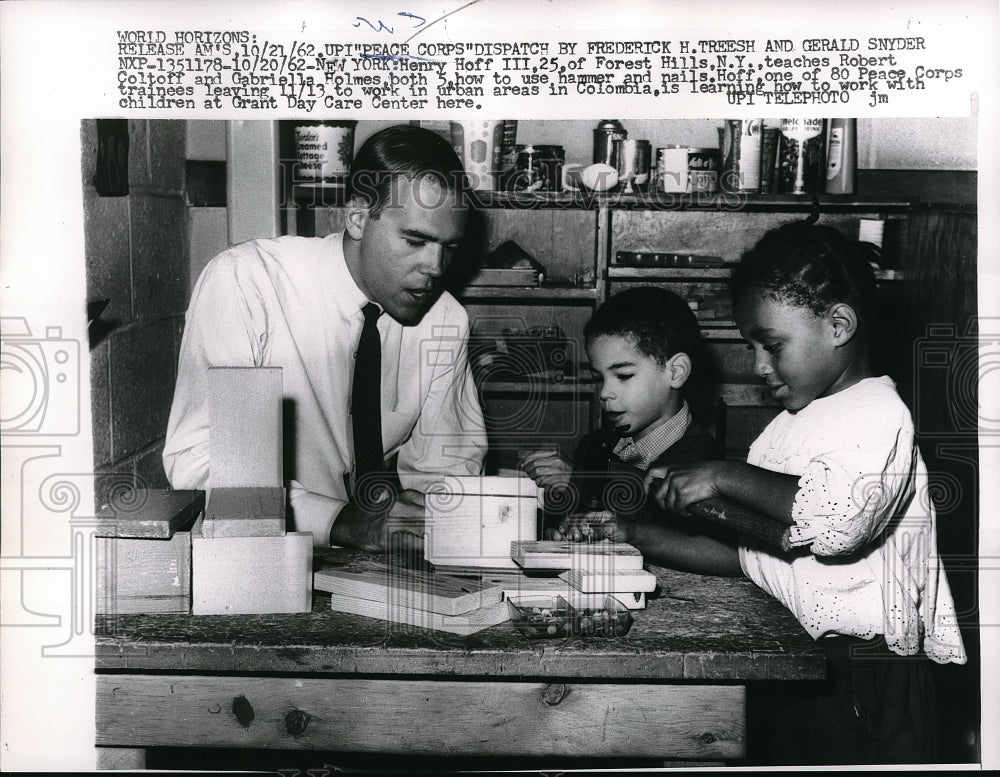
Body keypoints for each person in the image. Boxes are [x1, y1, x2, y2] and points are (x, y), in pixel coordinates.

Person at [646, 220, 967, 764]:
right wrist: (637, 536)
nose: (758, 366)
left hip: (865, 677)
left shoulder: (877, 413)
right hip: (800, 660)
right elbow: (754, 555)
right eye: (751, 346)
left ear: (839, 324)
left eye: (771, 345)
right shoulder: (792, 423)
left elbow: (836, 523)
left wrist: (721, 474)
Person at [163, 124, 488, 552]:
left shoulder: (445, 319)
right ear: (356, 218)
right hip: (256, 553)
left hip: (369, 564)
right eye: (415, 240)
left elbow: (446, 471)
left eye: (449, 247)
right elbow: (200, 462)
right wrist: (341, 522)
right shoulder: (247, 282)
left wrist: (429, 518)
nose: (435, 267)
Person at [521, 287, 738, 573]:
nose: (605, 393)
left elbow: (680, 541)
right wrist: (566, 532)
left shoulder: (702, 463)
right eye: (599, 378)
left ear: (675, 372)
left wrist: (580, 480)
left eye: (623, 376)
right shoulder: (599, 444)